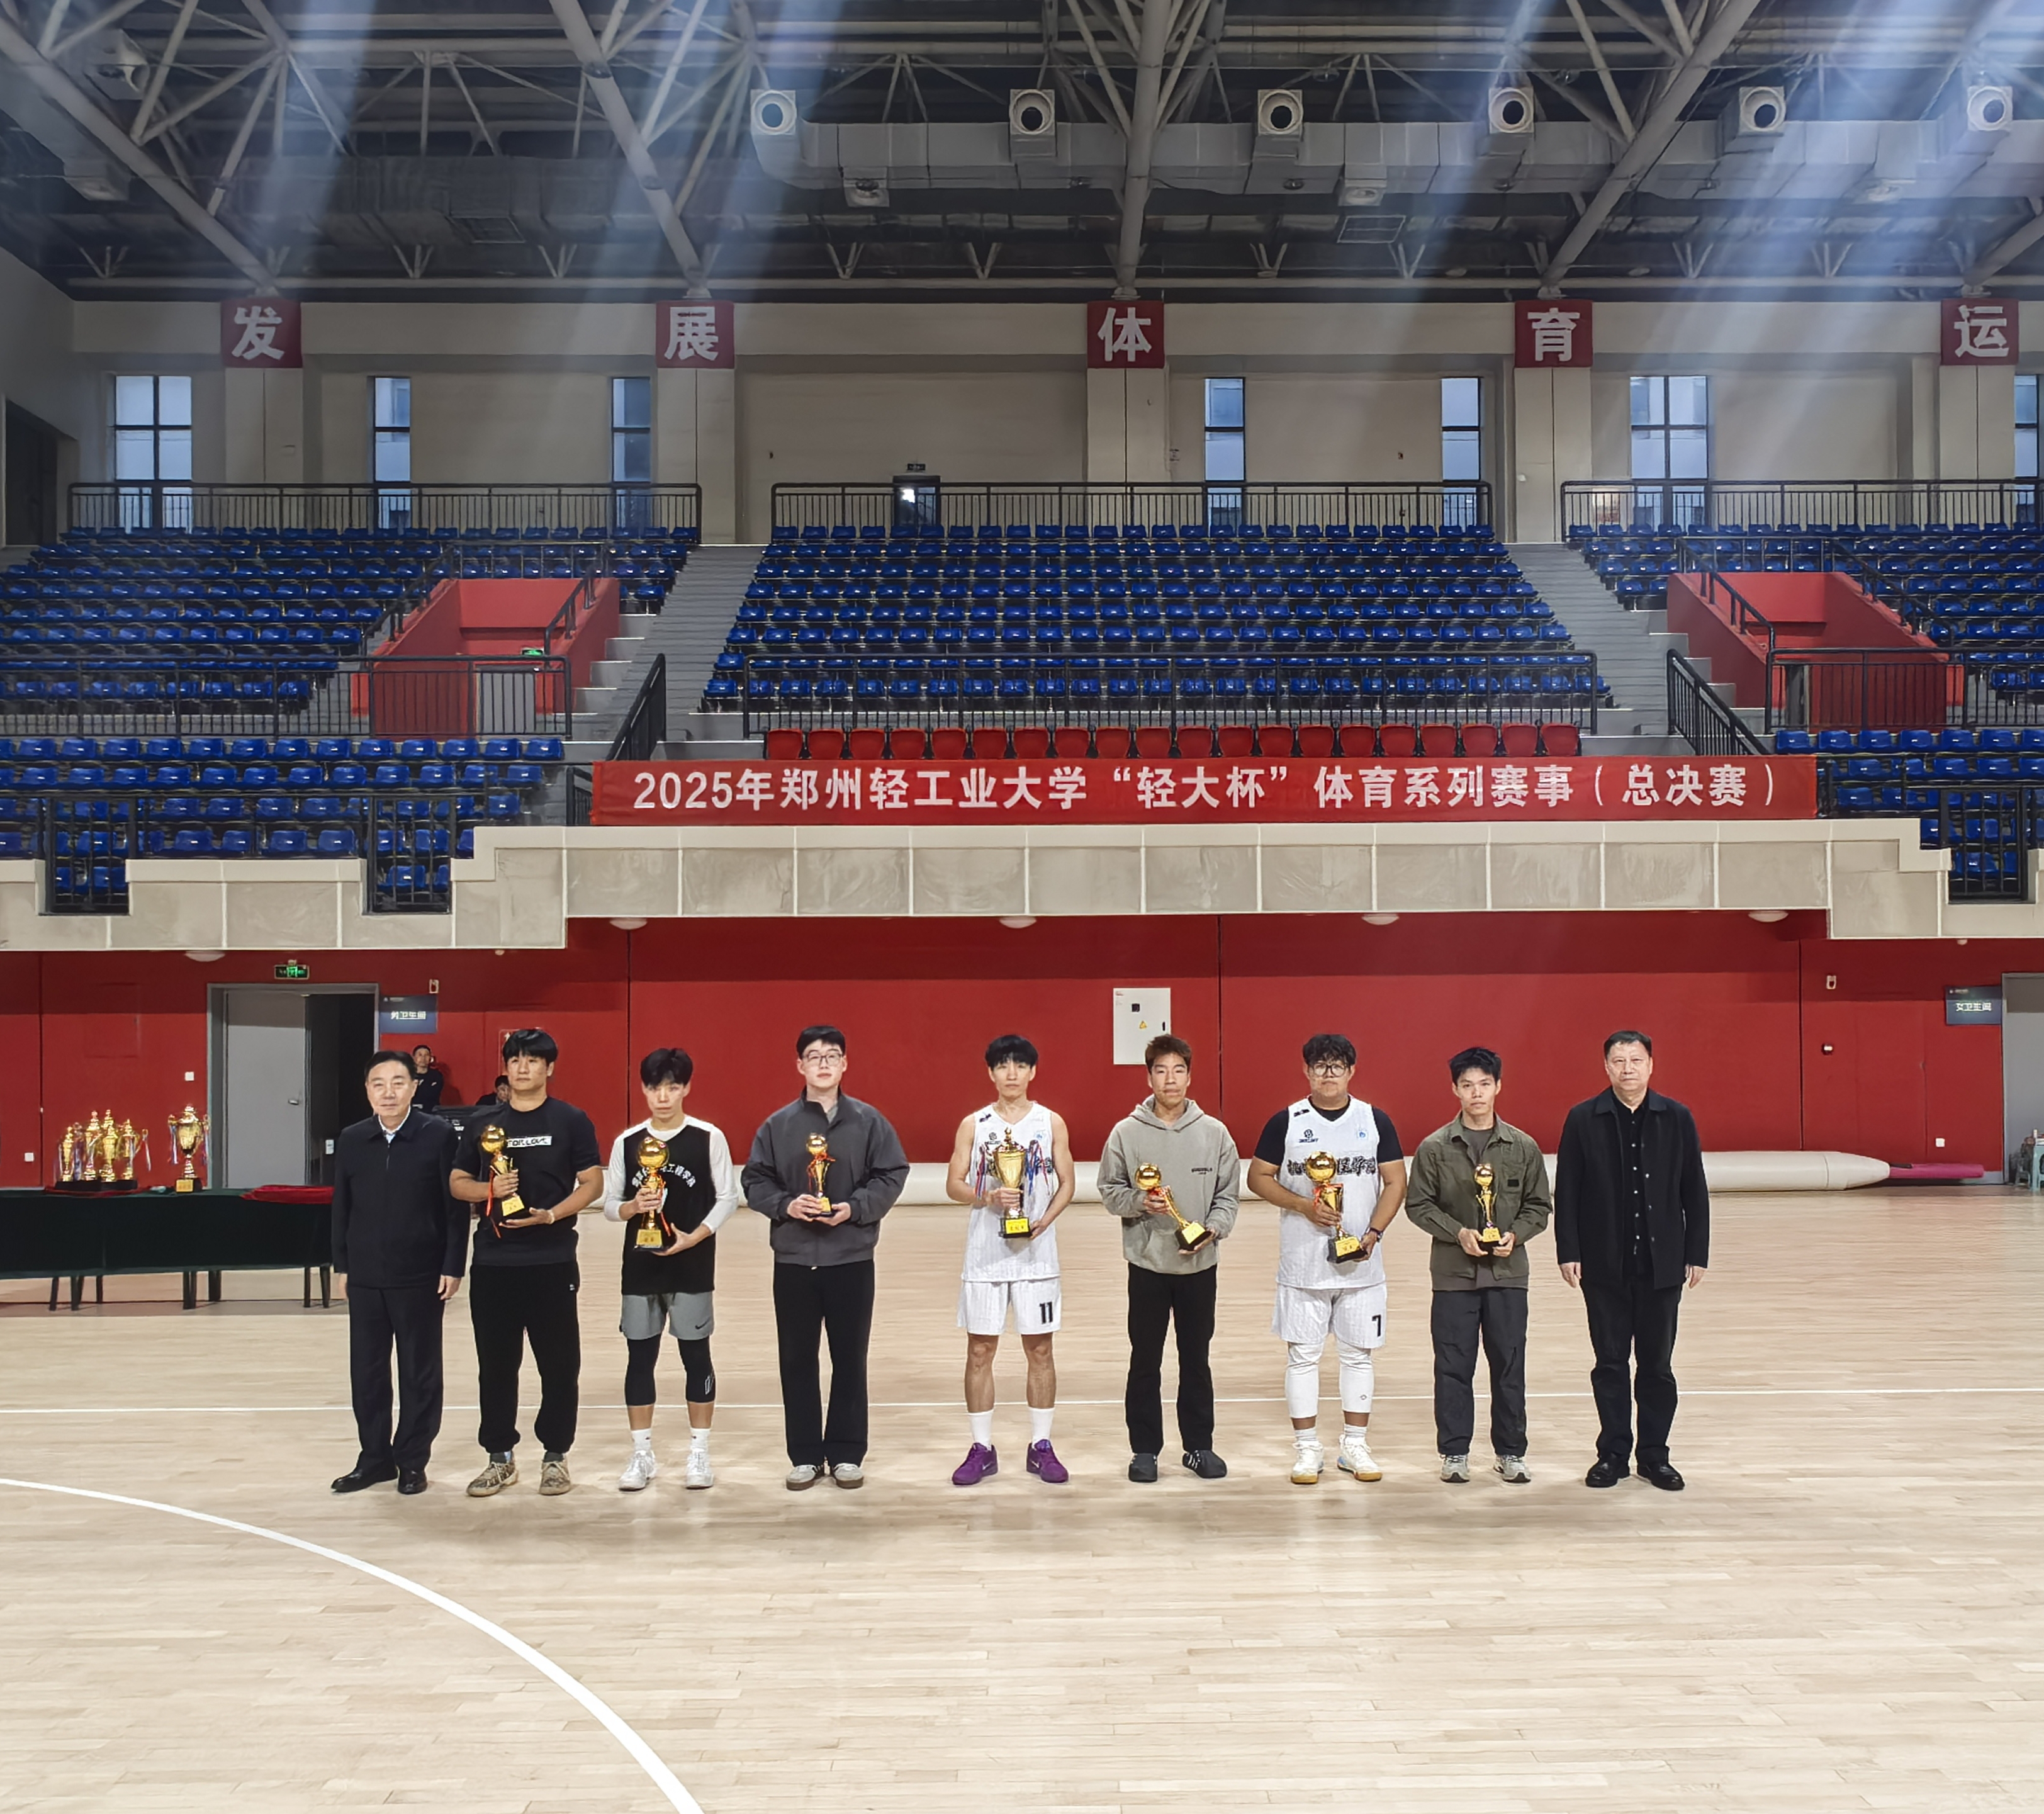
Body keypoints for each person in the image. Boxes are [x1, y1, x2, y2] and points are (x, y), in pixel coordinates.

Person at [742, 1024, 909, 1490]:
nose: (823, 1064)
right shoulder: (778, 1126)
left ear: (844, 1064)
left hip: (851, 1258)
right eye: (814, 1056)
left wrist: (855, 1208)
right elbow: (755, 1180)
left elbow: (892, 1173)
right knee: (796, 1359)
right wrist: (786, 1205)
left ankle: (847, 1453)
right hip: (794, 1259)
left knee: (850, 1358)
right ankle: (805, 1455)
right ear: (800, 1065)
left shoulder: (869, 1122)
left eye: (832, 1056)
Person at [1245, 1033, 1407, 1487]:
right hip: (1303, 1265)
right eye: (1320, 1066)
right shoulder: (1286, 1122)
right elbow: (1258, 1177)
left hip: (1362, 1266)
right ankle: (1307, 1449)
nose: (1328, 1074)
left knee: (1358, 1357)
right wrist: (1302, 1205)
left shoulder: (1374, 1120)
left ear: (1352, 1071)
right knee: (1303, 1358)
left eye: (1337, 1066)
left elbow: (1396, 1181)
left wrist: (1374, 1233)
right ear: (1306, 1071)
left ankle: (1354, 1445)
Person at [449, 1028, 604, 1499]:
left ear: (549, 1068)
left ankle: (555, 1457)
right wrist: (490, 1190)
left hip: (552, 1260)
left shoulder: (571, 1120)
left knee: (559, 1366)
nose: (522, 1067)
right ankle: (500, 1458)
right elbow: (457, 1182)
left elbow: (592, 1182)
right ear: (506, 1067)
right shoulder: (483, 1123)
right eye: (515, 1059)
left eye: (533, 1060)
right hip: (494, 1262)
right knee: (496, 1367)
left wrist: (552, 1214)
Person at [1554, 1030, 1709, 1492]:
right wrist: (1569, 1251)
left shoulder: (1677, 1117)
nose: (1627, 1069)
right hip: (1604, 1267)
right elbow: (1568, 1190)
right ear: (1606, 1067)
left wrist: (1696, 1253)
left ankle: (1655, 1457)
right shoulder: (1583, 1118)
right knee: (1610, 1364)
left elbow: (1694, 1189)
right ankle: (1613, 1455)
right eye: (1618, 1061)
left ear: (1650, 1065)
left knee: (1657, 1367)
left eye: (1636, 1060)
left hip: (1663, 1267)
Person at [1403, 1046, 1552, 1485]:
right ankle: (1455, 1453)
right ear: (1455, 1089)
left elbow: (1539, 1206)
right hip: (1454, 1275)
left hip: (1509, 1275)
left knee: (1509, 1365)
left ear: (1498, 1086)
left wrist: (1516, 1235)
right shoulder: (1434, 1148)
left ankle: (1511, 1452)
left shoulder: (1523, 1147)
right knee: (1453, 1366)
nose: (1476, 1093)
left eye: (1484, 1084)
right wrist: (1458, 1233)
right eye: (1467, 1085)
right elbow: (1418, 1205)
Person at [1099, 1034, 1240, 1483]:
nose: (1170, 1079)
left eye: (1178, 1070)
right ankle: (1145, 1451)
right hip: (1147, 1266)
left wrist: (1213, 1230)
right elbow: (1110, 1191)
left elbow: (1228, 1197)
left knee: (1196, 1359)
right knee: (1145, 1360)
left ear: (1190, 1076)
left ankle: (1198, 1447)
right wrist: (1140, 1201)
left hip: (1200, 1267)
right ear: (1149, 1078)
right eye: (1161, 1071)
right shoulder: (1126, 1133)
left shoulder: (1214, 1133)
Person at [602, 1046, 738, 1492]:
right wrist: (632, 1207)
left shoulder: (708, 1137)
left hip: (692, 1265)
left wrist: (694, 1237)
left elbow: (728, 1198)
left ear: (686, 1089)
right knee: (640, 1359)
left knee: (696, 1356)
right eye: (655, 1088)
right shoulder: (627, 1142)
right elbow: (609, 1205)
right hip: (640, 1268)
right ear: (643, 1089)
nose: (663, 1097)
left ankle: (700, 1453)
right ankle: (642, 1454)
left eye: (672, 1087)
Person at [330, 1050, 466, 1496]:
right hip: (366, 1274)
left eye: (397, 1083)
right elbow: (342, 1207)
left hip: (421, 1274)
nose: (388, 1093)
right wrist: (343, 1264)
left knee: (419, 1372)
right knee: (367, 1372)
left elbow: (454, 1208)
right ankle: (374, 1459)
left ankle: (411, 1460)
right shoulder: (353, 1139)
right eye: (378, 1084)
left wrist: (453, 1264)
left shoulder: (438, 1135)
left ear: (413, 1087)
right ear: (367, 1091)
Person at [943, 1034, 1077, 1486]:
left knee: (1040, 1349)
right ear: (991, 1073)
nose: (1012, 1073)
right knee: (980, 1350)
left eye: (1020, 1065)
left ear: (1033, 1072)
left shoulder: (1050, 1122)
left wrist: (1044, 1221)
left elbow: (1068, 1183)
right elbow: (953, 1184)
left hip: (1037, 1256)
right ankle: (981, 1448)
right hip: (986, 1255)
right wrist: (985, 1197)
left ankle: (1042, 1446)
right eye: (1003, 1066)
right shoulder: (974, 1124)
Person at [410, 1044, 446, 1113]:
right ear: (414, 1058)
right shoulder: (408, 1075)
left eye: (426, 1055)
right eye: (420, 1055)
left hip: (431, 1112)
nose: (423, 1058)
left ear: (430, 1058)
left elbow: (432, 1095)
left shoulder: (436, 1076)